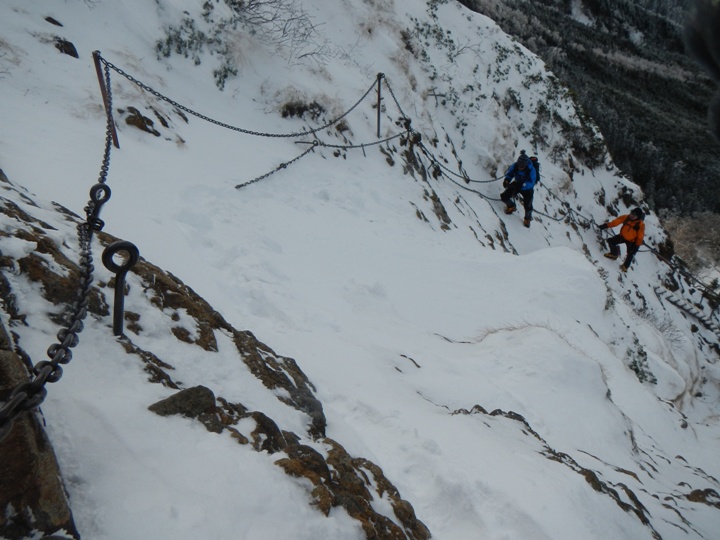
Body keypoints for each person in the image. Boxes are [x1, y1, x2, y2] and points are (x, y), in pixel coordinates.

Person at [598, 207, 646, 272]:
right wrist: (605, 225)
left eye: (634, 215)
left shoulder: (640, 225)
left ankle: (625, 266)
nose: (632, 216)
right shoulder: (626, 218)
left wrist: (636, 246)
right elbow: (615, 222)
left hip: (632, 241)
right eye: (632, 213)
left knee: (630, 253)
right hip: (622, 236)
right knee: (611, 241)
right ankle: (614, 254)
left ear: (638, 217)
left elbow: (640, 237)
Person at [501, 150, 537, 227]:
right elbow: (510, 174)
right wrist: (507, 180)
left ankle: (527, 219)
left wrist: (522, 186)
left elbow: (531, 182)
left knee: (528, 205)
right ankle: (511, 206)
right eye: (519, 165)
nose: (520, 168)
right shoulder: (515, 166)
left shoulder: (531, 170)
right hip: (517, 184)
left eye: (522, 166)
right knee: (504, 196)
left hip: (527, 188)